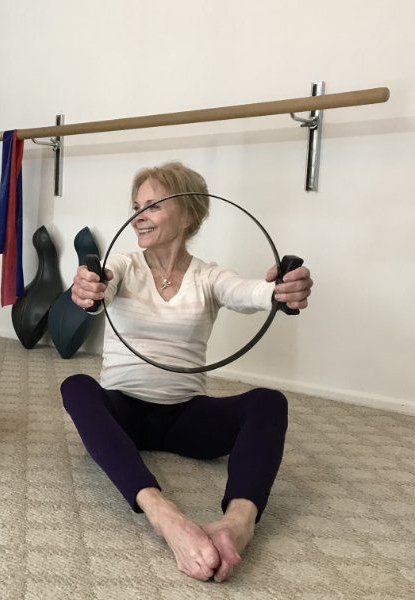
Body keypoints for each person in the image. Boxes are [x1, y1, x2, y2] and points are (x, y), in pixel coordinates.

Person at [63, 162, 313, 582]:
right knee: (77, 387)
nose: (139, 215)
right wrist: (89, 287)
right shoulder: (123, 265)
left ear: (189, 213)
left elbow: (248, 291)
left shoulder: (208, 275)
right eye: (136, 205)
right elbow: (101, 282)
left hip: (185, 417)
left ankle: (238, 523)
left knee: (269, 402)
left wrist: (278, 290)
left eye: (154, 205)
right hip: (122, 413)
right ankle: (163, 514)